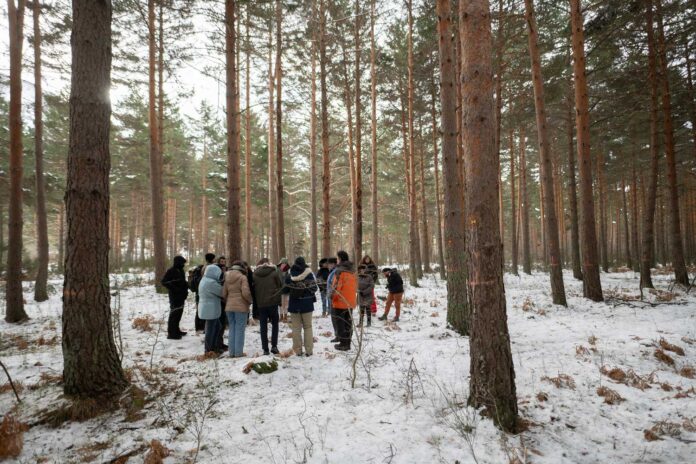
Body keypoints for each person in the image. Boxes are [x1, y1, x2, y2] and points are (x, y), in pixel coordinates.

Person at [285, 256, 318, 356]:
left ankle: (298, 351)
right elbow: (314, 288)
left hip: (294, 305)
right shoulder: (309, 274)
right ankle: (309, 351)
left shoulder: (289, 274)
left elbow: (285, 290)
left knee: (296, 328)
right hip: (307, 304)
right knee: (308, 327)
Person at [253, 258, 283, 355]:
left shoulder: (255, 274)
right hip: (273, 302)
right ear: (268, 263)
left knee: (263, 327)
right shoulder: (274, 273)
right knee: (275, 325)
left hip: (261, 304)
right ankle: (274, 346)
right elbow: (280, 286)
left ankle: (265, 349)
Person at [222, 260, 252, 357]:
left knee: (232, 329)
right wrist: (250, 301)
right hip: (241, 307)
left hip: (229, 307)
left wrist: (229, 301)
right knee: (239, 329)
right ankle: (238, 353)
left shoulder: (226, 277)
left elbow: (223, 294)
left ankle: (232, 352)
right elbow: (245, 293)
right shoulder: (242, 277)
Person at [330, 251, 357, 351]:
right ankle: (348, 342)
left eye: (337, 258)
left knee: (340, 324)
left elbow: (336, 288)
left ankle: (343, 344)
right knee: (348, 323)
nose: (336, 260)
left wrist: (332, 297)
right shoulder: (352, 270)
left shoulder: (340, 271)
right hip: (350, 301)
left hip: (340, 302)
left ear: (340, 258)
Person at [197, 264, 224, 353]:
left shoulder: (204, 280)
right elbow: (222, 292)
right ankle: (209, 349)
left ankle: (213, 347)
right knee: (211, 329)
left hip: (207, 308)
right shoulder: (211, 282)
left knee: (217, 327)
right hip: (210, 309)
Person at [161, 255, 189, 340]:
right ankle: (171, 333)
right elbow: (164, 282)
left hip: (181, 296)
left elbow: (182, 282)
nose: (183, 264)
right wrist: (175, 289)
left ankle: (176, 330)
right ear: (178, 262)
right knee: (174, 314)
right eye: (182, 263)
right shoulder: (171, 270)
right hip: (174, 297)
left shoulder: (181, 270)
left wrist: (186, 286)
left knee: (179, 314)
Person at [191, 252, 215, 334]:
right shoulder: (209, 267)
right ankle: (201, 327)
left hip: (200, 290)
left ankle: (199, 327)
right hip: (204, 290)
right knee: (202, 309)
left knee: (200, 308)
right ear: (212, 259)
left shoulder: (204, 266)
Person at [326, 257, 339, 341]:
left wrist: (331, 294)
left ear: (334, 264)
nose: (328, 266)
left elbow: (334, 285)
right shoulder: (332, 272)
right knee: (334, 317)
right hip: (331, 297)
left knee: (335, 318)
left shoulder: (335, 272)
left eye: (329, 264)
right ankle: (337, 335)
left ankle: (338, 335)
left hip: (334, 298)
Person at [278, 257, 290, 323]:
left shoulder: (288, 271)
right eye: (283, 263)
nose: (284, 264)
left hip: (286, 290)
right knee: (280, 304)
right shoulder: (277, 271)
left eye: (285, 263)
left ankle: (285, 316)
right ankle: (281, 316)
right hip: (280, 290)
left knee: (286, 304)